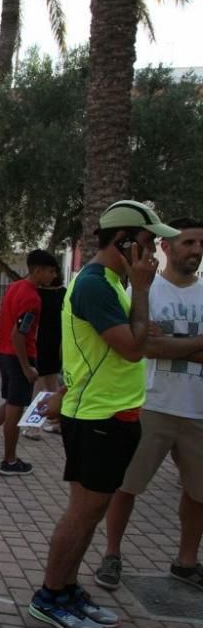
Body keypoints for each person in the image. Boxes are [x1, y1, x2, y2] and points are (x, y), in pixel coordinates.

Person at [28, 200, 178, 628]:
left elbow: (131, 337)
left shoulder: (111, 282)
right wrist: (144, 292)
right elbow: (133, 348)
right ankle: (49, 596)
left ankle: (68, 591)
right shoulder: (96, 283)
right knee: (82, 513)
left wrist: (138, 318)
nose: (154, 254)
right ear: (124, 242)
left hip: (112, 414)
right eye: (149, 243)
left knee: (91, 513)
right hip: (97, 418)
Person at [95, 217, 203, 593]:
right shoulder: (147, 292)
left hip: (197, 410)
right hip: (151, 404)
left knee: (197, 493)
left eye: (200, 244)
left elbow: (156, 344)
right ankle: (111, 555)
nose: (196, 251)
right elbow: (143, 346)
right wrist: (195, 344)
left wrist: (163, 342)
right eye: (188, 243)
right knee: (127, 486)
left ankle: (186, 563)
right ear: (167, 248)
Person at [0, 250, 59, 476]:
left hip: (5, 354)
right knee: (15, 411)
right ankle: (9, 460)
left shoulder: (14, 288)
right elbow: (20, 334)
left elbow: (0, 320)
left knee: (10, 404)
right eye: (50, 271)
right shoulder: (32, 299)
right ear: (37, 271)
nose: (53, 276)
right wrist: (27, 367)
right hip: (19, 359)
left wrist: (5, 345)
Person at [35, 269, 66, 435]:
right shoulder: (64, 293)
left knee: (38, 387)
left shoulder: (38, 293)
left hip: (40, 342)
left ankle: (33, 428)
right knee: (53, 386)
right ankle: (57, 422)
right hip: (58, 342)